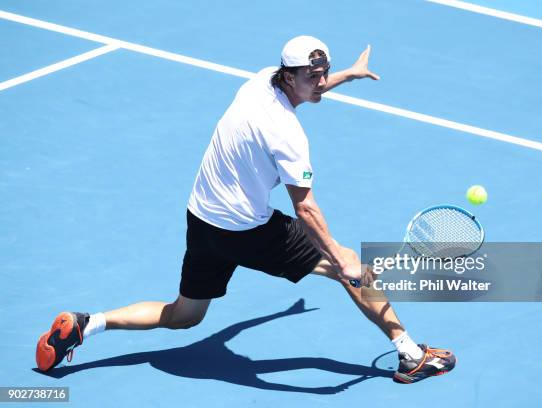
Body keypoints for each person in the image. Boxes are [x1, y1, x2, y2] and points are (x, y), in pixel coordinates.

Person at [36, 36, 455, 384]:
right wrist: (339, 257)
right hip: (248, 231)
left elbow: (314, 88)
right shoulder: (289, 134)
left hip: (202, 219)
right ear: (290, 76)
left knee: (184, 315)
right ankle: (411, 355)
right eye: (314, 76)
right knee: (352, 272)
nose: (322, 81)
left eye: (325, 71)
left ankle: (87, 324)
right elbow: (305, 208)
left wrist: (350, 74)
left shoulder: (260, 82)